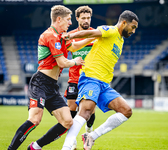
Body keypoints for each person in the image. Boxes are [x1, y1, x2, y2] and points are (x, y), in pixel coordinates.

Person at [7, 5, 95, 150]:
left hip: (52, 86)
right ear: (58, 19)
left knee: (68, 121)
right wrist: (75, 62)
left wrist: (91, 37)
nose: (70, 23)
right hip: (41, 82)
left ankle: (35, 147)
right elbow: (62, 62)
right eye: (68, 19)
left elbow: (73, 47)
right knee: (35, 119)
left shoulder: (60, 36)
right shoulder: (50, 36)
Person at [61, 10, 139, 150]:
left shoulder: (119, 40)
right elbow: (91, 33)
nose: (133, 31)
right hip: (91, 77)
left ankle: (91, 136)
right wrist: (71, 35)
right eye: (133, 27)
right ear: (124, 23)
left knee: (126, 111)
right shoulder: (111, 30)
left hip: (104, 84)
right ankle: (66, 147)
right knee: (85, 112)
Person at [63, 5, 95, 150]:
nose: (86, 20)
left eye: (88, 18)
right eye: (83, 18)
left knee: (90, 112)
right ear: (77, 19)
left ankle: (89, 132)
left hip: (91, 78)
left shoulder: (96, 34)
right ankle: (72, 140)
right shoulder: (71, 34)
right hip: (74, 78)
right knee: (72, 109)